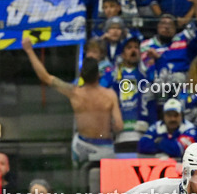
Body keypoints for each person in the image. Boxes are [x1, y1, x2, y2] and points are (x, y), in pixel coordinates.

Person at [22, 36, 122, 173]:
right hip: (104, 147)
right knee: (105, 187)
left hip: (81, 146)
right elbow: (119, 125)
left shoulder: (74, 92)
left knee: (81, 187)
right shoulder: (110, 95)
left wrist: (29, 50)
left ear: (81, 75)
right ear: (98, 75)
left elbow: (45, 77)